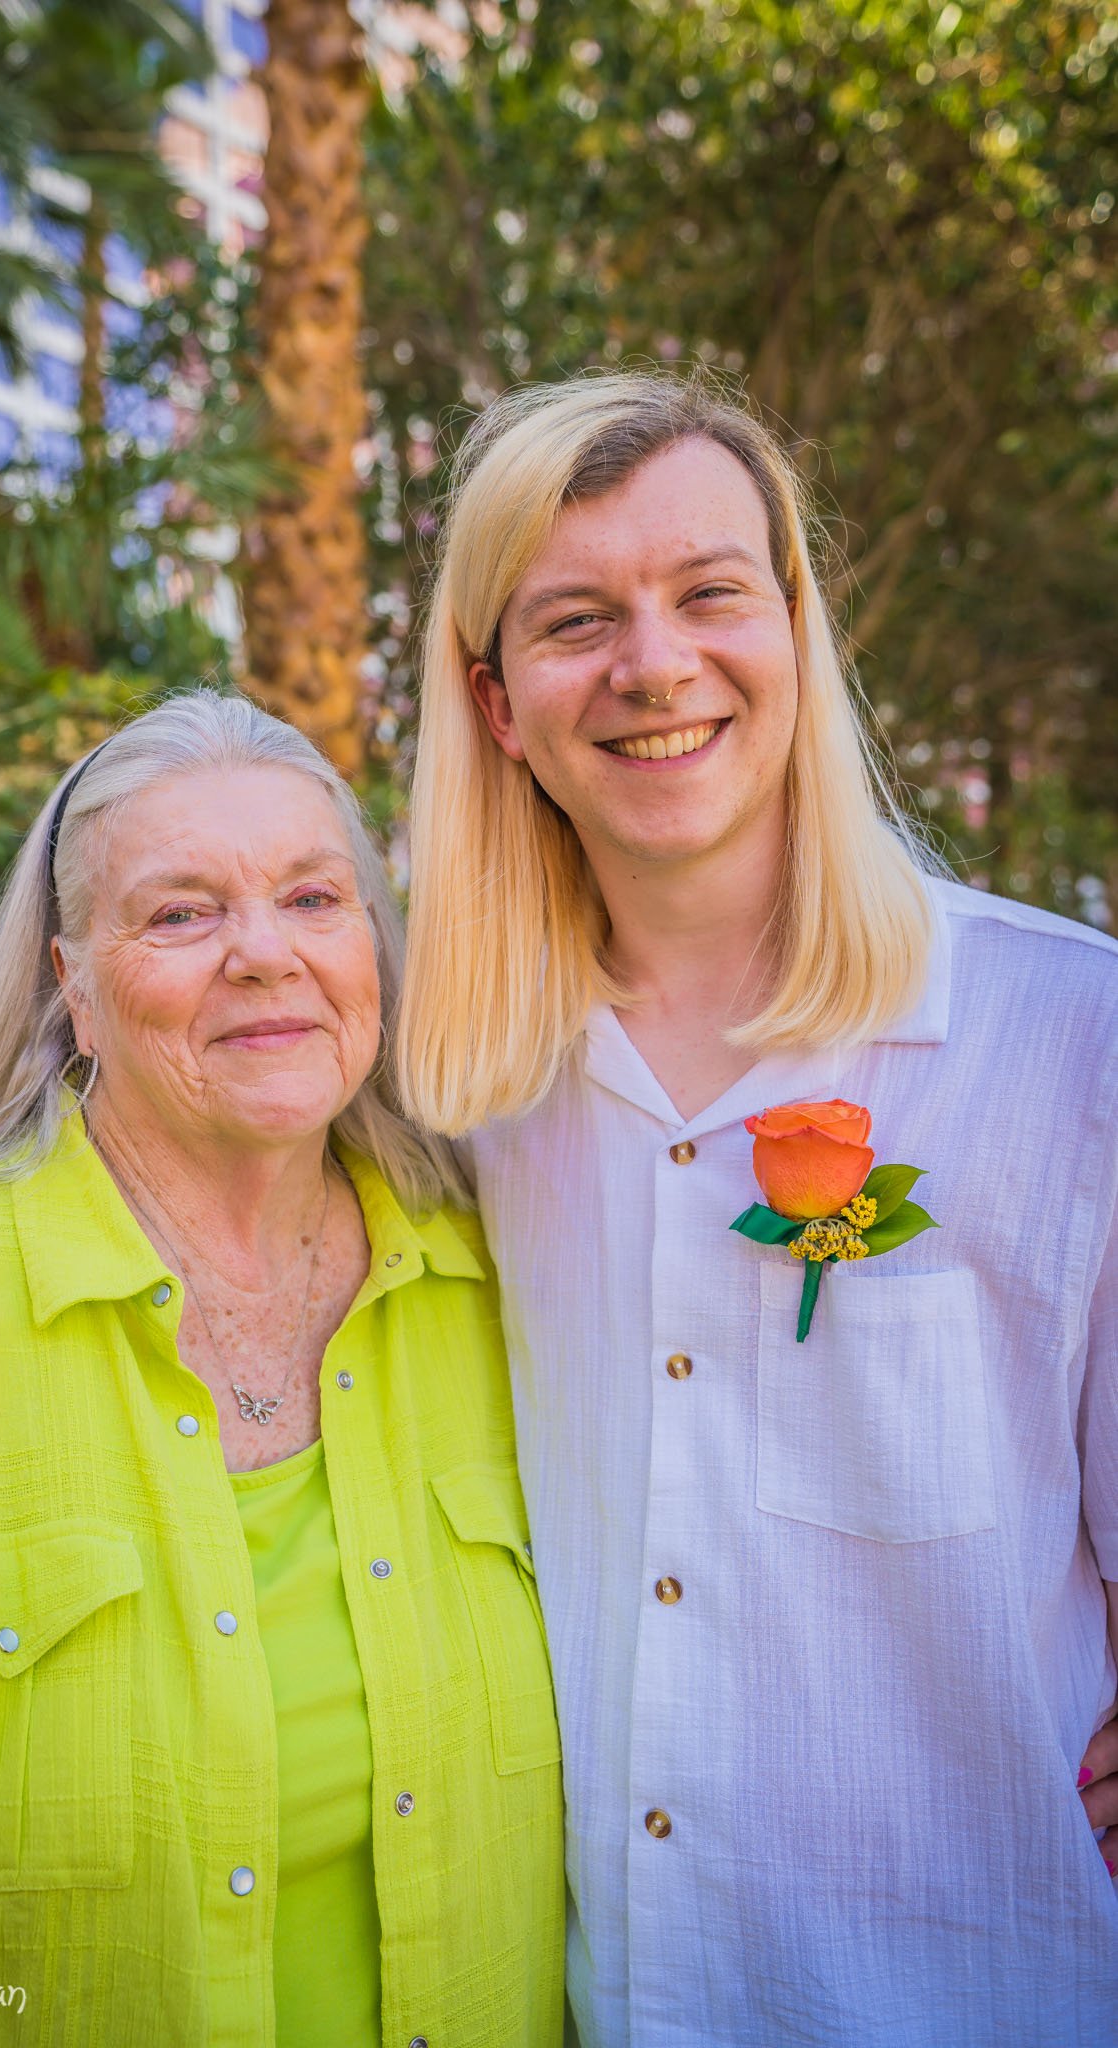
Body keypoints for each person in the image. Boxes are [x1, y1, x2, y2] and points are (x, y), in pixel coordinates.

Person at [396, 370, 1118, 2046]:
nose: (655, 667)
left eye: (710, 593)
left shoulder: (1071, 1042)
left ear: (795, 630)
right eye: (575, 619)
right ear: (498, 705)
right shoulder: (446, 1094)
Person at [0, 692, 564, 2046]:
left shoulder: (499, 1292)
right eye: (181, 914)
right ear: (72, 983)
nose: (263, 956)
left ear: (373, 947)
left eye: (314, 898)